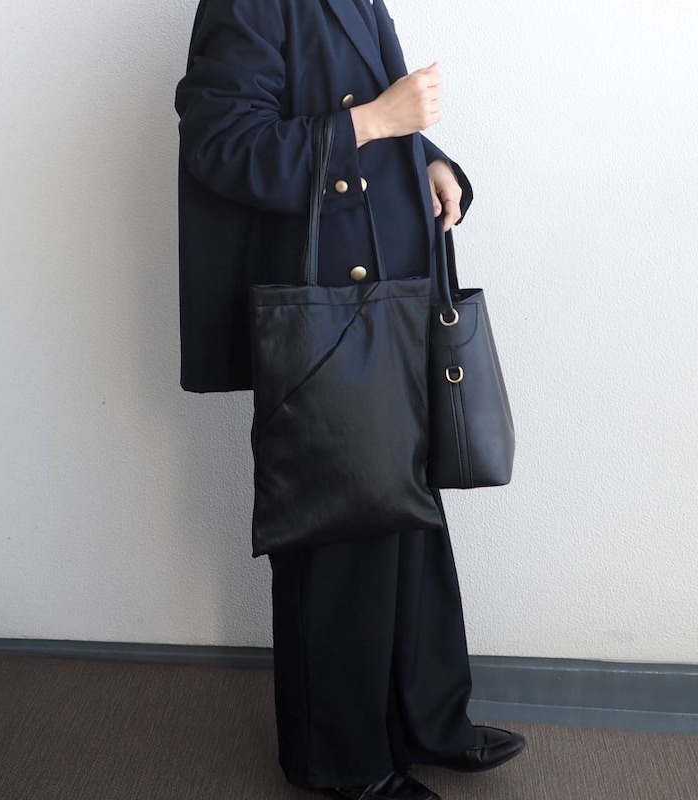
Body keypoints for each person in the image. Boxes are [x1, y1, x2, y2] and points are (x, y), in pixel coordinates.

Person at [174, 1, 526, 798]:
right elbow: (222, 146)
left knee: (409, 519)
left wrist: (424, 156)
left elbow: (354, 107)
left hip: (389, 298)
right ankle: (341, 765)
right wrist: (376, 123)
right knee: (340, 539)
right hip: (331, 317)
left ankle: (426, 723)